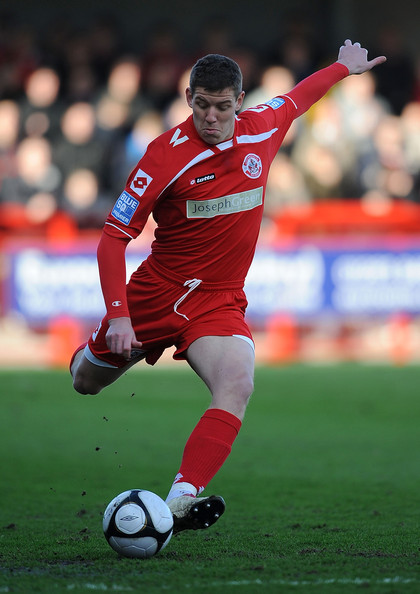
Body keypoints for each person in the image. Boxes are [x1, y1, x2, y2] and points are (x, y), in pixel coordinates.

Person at [70, 40, 386, 534]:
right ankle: (89, 352)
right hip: (157, 295)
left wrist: (343, 68)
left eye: (222, 106)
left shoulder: (262, 128)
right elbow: (112, 239)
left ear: (240, 101)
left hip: (218, 299)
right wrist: (119, 316)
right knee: (85, 382)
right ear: (187, 96)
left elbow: (301, 96)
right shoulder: (163, 156)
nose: (211, 117)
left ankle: (178, 500)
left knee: (237, 382)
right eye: (201, 105)